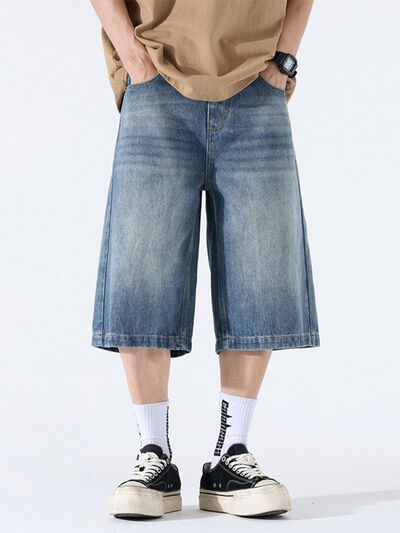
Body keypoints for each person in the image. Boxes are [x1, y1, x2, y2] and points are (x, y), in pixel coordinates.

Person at [89, 0, 319, 519]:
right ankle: (154, 453)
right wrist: (134, 58)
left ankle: (230, 455)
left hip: (257, 83)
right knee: (142, 268)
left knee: (260, 269)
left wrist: (282, 63)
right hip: (155, 77)